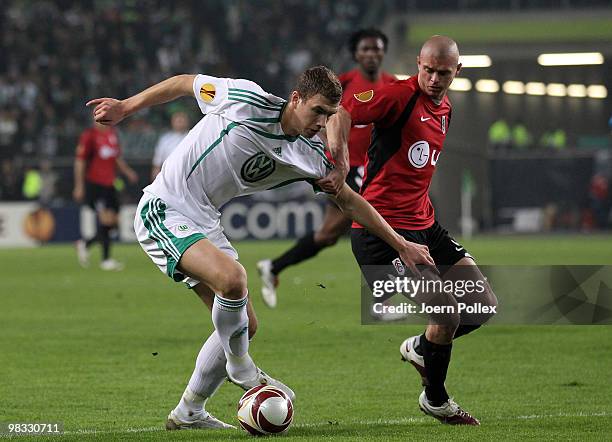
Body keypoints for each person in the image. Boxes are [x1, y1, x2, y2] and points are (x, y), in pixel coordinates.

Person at [87, 66, 434, 430]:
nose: (322, 122)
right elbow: (181, 84)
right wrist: (126, 107)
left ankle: (189, 411)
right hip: (165, 206)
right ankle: (242, 368)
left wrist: (401, 244)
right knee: (233, 279)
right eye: (317, 111)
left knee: (244, 326)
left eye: (329, 115)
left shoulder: (310, 157)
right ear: (296, 99)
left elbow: (351, 203)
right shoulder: (244, 99)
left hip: (204, 220)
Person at [329, 36, 498, 425]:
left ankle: (422, 348)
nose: (435, 79)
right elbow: (341, 110)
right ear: (418, 65)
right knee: (447, 314)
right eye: (429, 70)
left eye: (444, 73)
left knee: (483, 305)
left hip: (425, 225)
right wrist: (339, 158)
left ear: (458, 71)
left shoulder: (445, 109)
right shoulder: (397, 96)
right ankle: (435, 400)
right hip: (382, 231)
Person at [257, 28, 396, 308]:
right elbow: (314, 114)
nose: (371, 54)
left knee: (328, 235)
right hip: (345, 168)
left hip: (375, 169)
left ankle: (273, 267)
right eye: (365, 49)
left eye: (376, 48)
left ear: (383, 52)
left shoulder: (393, 86)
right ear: (356, 54)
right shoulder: (342, 85)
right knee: (376, 221)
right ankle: (380, 297)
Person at [73, 121, 138, 270]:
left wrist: (128, 172)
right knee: (106, 220)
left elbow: (116, 158)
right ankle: (106, 260)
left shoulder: (112, 135)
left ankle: (85, 244)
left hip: (110, 184)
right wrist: (79, 185)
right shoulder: (89, 136)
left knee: (113, 222)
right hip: (95, 184)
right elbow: (80, 161)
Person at [151, 111, 190, 180]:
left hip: (189, 173)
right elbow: (157, 162)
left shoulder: (192, 136)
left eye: (182, 120)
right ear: (172, 122)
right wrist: (155, 179)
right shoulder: (165, 139)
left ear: (187, 122)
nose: (180, 122)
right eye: (178, 120)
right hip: (168, 175)